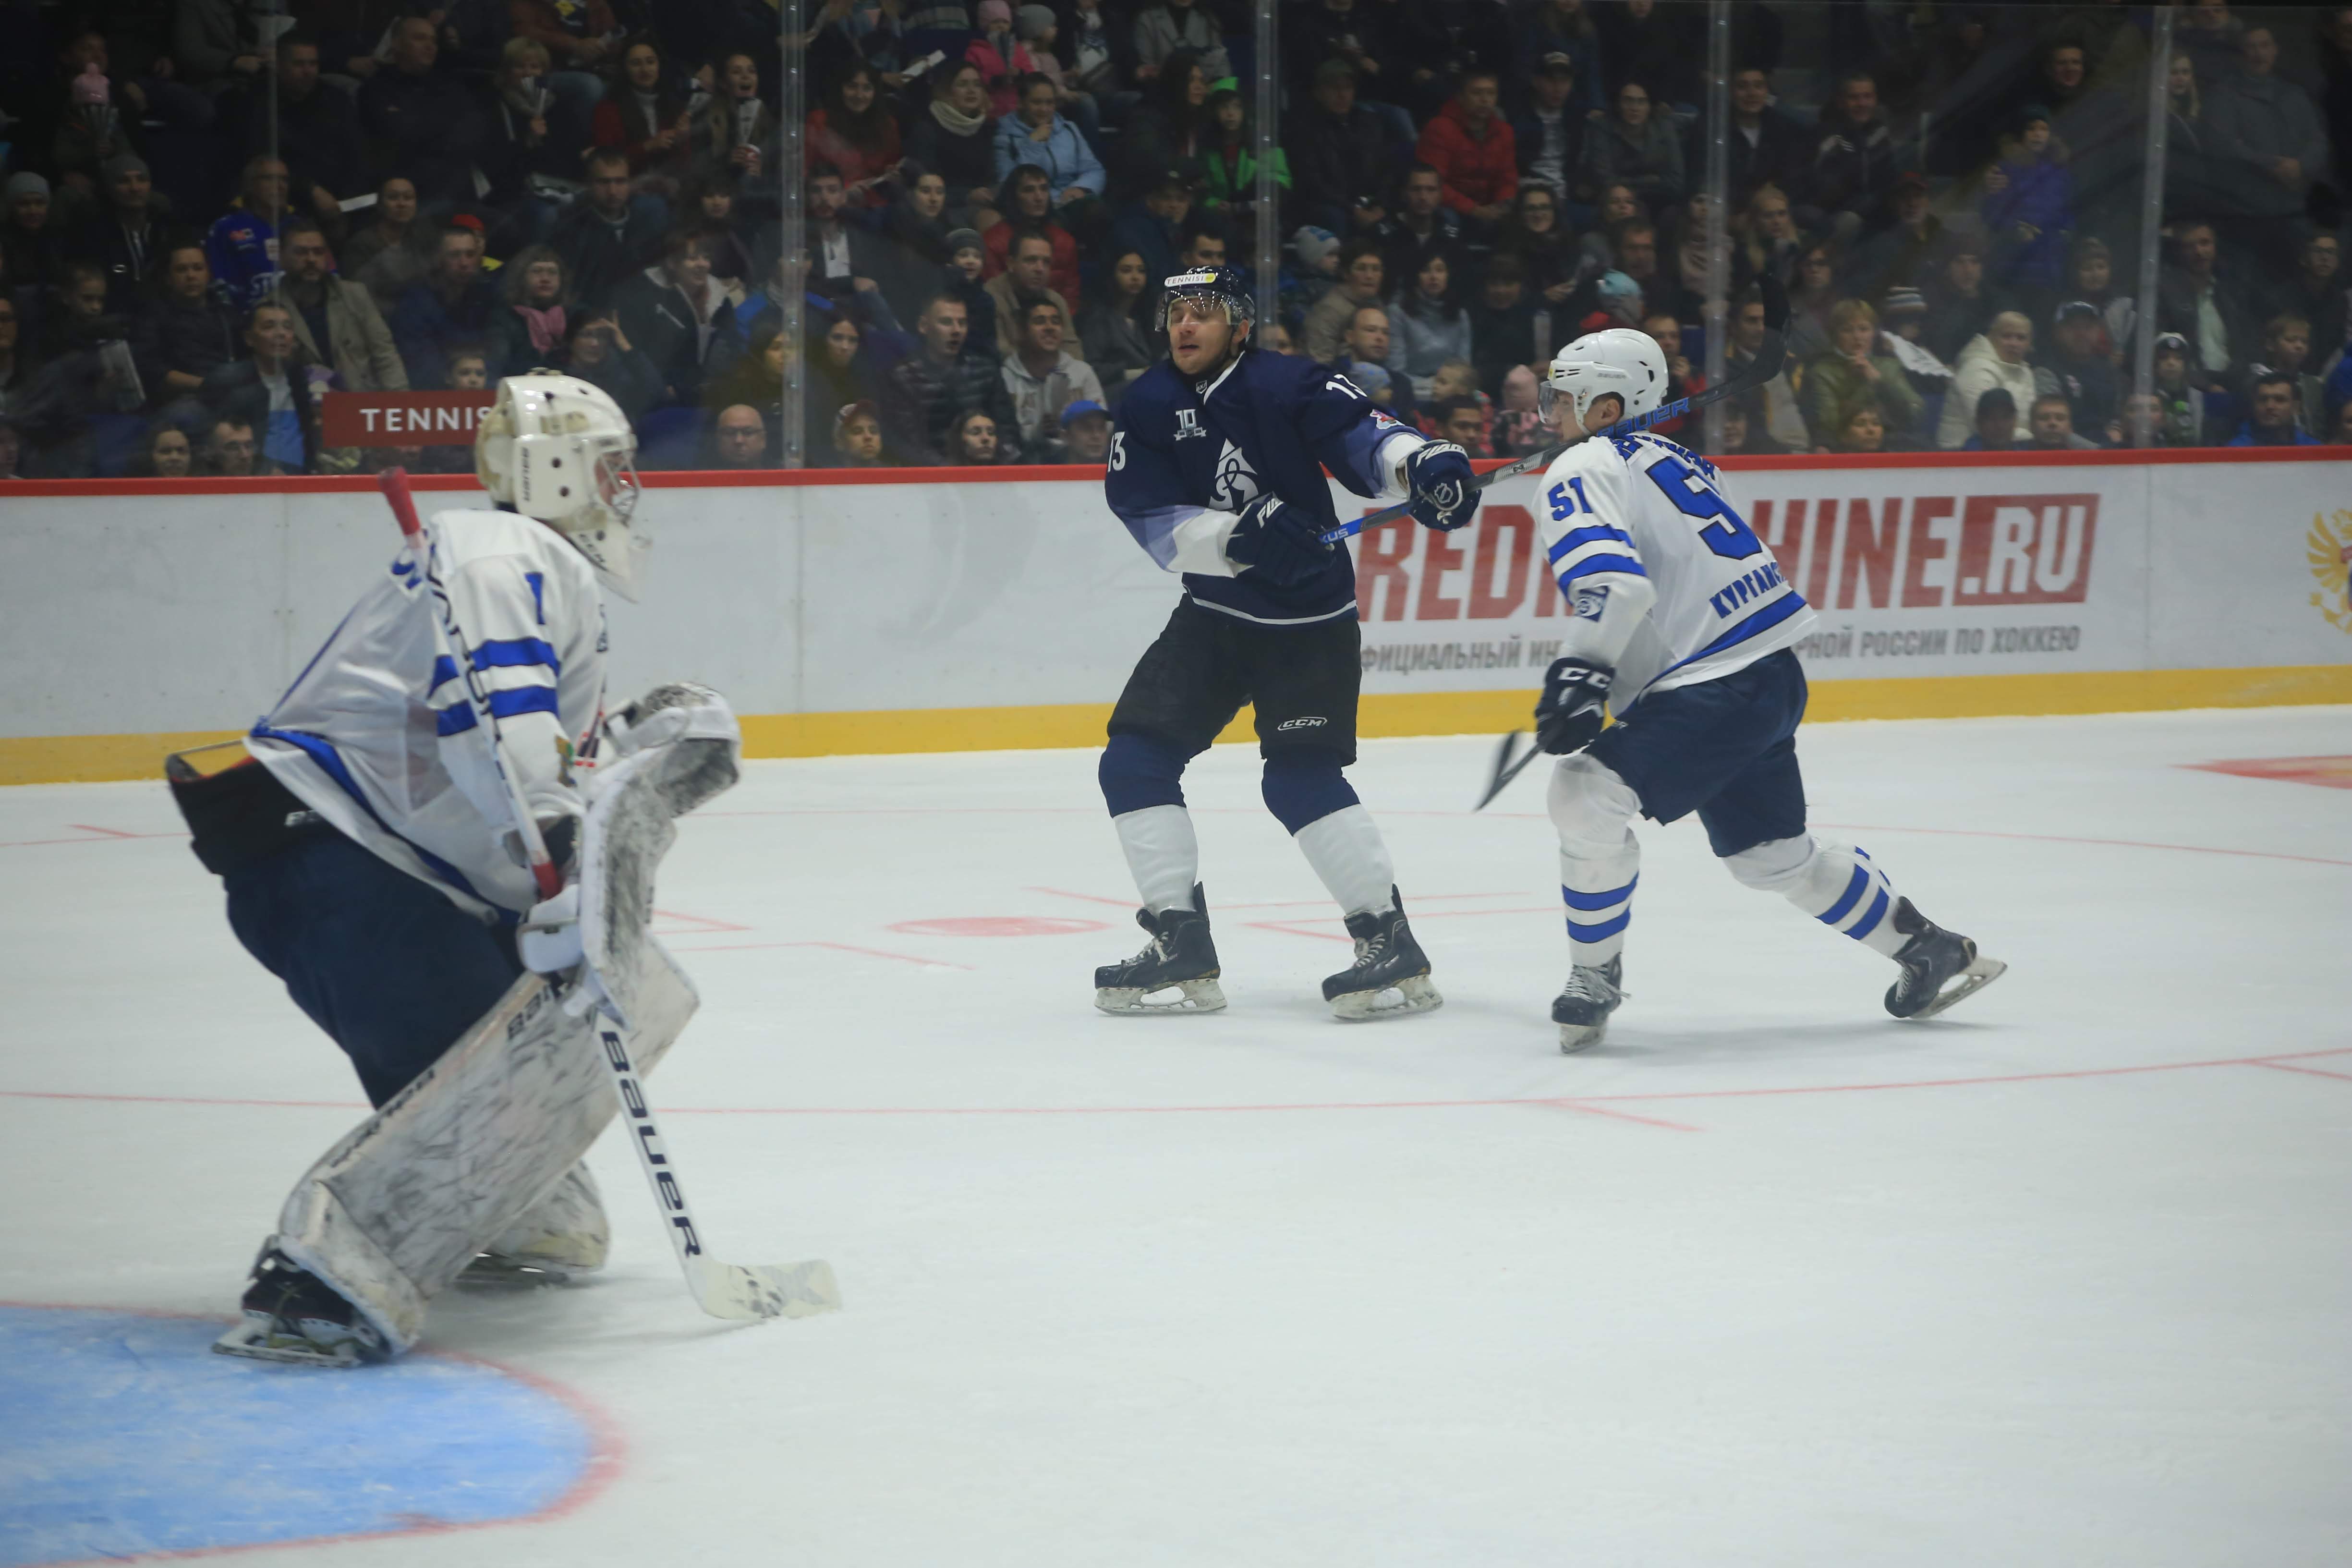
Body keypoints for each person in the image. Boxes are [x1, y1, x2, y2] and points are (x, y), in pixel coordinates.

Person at [177, 371, 699, 1366]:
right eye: (606, 465)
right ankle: (317, 1291)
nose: (621, 486)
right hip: (339, 855)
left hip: (363, 867)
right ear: (553, 468)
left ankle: (515, 1207)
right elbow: (497, 720)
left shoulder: (521, 559)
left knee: (531, 1099)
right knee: (477, 1080)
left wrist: (619, 765)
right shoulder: (503, 550)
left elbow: (527, 744)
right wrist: (556, 847)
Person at [1522, 328, 2001, 1050]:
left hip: (1711, 685)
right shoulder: (1680, 460)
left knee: (1583, 795)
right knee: (1770, 857)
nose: (1548, 413)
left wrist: (1577, 677)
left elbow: (1615, 584)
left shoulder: (1579, 466)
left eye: (1562, 398)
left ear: (1605, 407)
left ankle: (1593, 976)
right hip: (1768, 678)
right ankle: (1926, 947)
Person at [1092, 265, 1477, 1021]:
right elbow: (1145, 511)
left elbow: (1363, 437)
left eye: (1203, 312)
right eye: (1176, 312)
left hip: (1307, 621)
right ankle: (1179, 937)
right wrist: (1234, 537)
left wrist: (1421, 465)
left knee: (1298, 780)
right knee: (1132, 759)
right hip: (1212, 615)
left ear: (1238, 324)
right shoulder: (1149, 402)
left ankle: (1387, 937)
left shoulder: (1286, 382)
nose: (1184, 325)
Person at [357, 17, 486, 208]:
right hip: (405, 193)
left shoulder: (451, 86)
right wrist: (442, 127)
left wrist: (423, 128)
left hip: (456, 188)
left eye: (434, 40)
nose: (430, 46)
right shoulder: (375, 89)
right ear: (396, 44)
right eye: (420, 38)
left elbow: (474, 132)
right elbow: (398, 136)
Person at [883, 292, 1024, 464]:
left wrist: (997, 467)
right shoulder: (905, 376)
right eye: (946, 322)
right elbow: (909, 445)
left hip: (986, 470)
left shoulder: (986, 370)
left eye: (962, 323)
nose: (956, 330)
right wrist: (950, 471)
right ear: (923, 326)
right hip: (932, 475)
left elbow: (1008, 432)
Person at [273, 218, 408, 393]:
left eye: (318, 252)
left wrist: (399, 401)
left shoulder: (354, 295)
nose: (311, 259)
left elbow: (385, 354)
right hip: (306, 405)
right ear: (281, 258)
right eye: (301, 252)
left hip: (361, 400)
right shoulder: (271, 309)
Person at [550, 150, 668, 315]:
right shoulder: (572, 232)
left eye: (620, 182)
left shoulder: (646, 221)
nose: (613, 191)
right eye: (603, 182)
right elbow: (567, 295)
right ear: (588, 184)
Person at [392, 227, 504, 391]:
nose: (464, 263)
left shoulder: (490, 296)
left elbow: (499, 351)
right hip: (437, 394)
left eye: (470, 255)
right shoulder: (416, 301)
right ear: (439, 259)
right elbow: (419, 361)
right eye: (455, 255)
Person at [133, 243, 244, 404]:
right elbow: (153, 370)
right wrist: (208, 386)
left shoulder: (227, 314)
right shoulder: (153, 318)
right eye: (181, 270)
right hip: (183, 400)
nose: (191, 276)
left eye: (198, 268)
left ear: (208, 274)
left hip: (232, 394)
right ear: (168, 278)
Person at [1806, 299, 1923, 450]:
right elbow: (1829, 425)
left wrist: (1878, 382)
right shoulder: (1822, 372)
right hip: (1844, 449)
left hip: (1892, 446)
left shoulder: (1889, 367)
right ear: (1835, 336)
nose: (1857, 337)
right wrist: (1855, 382)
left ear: (1874, 333)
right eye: (1847, 330)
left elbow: (1914, 413)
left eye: (1864, 329)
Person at [904, 62, 1002, 231]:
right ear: (947, 90)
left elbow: (992, 175)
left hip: (983, 202)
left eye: (977, 85)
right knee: (991, 221)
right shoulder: (927, 128)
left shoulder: (987, 127)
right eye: (963, 85)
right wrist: (967, 196)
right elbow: (922, 184)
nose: (971, 91)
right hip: (943, 206)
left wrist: (990, 194)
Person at [1001, 297, 1106, 453]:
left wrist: (1069, 430)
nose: (1050, 328)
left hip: (1074, 460)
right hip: (1024, 462)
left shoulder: (1083, 373)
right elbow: (1003, 437)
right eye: (1040, 321)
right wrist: (1038, 433)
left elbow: (1105, 425)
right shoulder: (1005, 377)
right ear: (1023, 331)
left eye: (1056, 322)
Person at [1417, 70, 1517, 225]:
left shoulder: (1504, 131)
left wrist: (1502, 205)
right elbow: (1433, 184)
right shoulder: (1440, 128)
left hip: (1489, 207)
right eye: (1477, 93)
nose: (1485, 100)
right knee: (1447, 218)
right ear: (1460, 97)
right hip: (1451, 207)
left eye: (1491, 93)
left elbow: (1508, 178)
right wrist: (1474, 209)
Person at [1575, 80, 1682, 214]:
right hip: (1613, 203)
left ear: (1650, 106)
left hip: (1657, 204)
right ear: (1618, 104)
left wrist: (1624, 181)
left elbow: (1676, 183)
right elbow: (1604, 181)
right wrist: (1652, 180)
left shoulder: (1665, 127)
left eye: (1642, 101)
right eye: (1628, 101)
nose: (1635, 108)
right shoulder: (1602, 127)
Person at [1937, 311, 2037, 449]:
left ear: (2030, 344)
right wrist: (2038, 438)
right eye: (2007, 336)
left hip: (2010, 449)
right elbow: (1991, 429)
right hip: (1960, 453)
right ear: (1991, 337)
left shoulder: (2025, 372)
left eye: (2021, 338)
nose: (2014, 343)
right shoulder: (1977, 368)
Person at [983, 231, 1077, 359]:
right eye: (1031, 260)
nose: (1040, 269)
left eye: (1046, 262)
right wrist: (1044, 364)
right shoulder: (989, 298)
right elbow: (999, 351)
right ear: (1011, 263)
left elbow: (1072, 347)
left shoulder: (1056, 300)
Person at [1079, 250, 1155, 401]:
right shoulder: (1097, 319)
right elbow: (1092, 370)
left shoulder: (1146, 317)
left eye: (1141, 271)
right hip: (1112, 394)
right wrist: (1138, 373)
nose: (1135, 277)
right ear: (1111, 275)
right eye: (1126, 271)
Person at [1302, 239, 1386, 364]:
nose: (1370, 276)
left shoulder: (1377, 304)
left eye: (1376, 269)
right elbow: (1319, 363)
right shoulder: (1327, 312)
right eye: (1361, 268)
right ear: (1346, 273)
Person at [2226, 370, 2323, 446]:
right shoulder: (2237, 450)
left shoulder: (2313, 448)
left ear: (2296, 408)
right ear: (2254, 406)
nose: (2270, 406)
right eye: (2263, 400)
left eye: (2280, 400)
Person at [1958, 386, 2020, 451]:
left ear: (2015, 420)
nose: (2000, 425)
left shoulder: (2022, 452)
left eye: (2006, 417)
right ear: (1979, 423)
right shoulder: (1967, 456)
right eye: (1992, 418)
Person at [709, 402, 770, 467]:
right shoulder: (702, 471)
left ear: (763, 439)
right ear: (718, 439)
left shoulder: (778, 471)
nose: (739, 441)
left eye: (748, 433)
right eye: (730, 433)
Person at [1057, 397, 1113, 463]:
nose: (1097, 435)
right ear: (1066, 436)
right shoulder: (1051, 468)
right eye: (1087, 428)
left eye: (1101, 428)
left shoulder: (1117, 467)